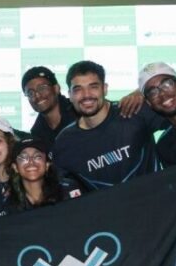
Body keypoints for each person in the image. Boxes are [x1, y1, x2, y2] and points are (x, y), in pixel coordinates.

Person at [52, 60, 166, 191]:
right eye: (78, 89)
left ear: (105, 89)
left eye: (93, 87)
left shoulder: (134, 111)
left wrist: (146, 91)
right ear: (70, 95)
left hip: (157, 202)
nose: (86, 95)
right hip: (103, 206)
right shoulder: (64, 143)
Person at [21, 66, 78, 150]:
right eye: (30, 93)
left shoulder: (79, 111)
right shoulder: (37, 132)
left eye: (42, 88)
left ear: (56, 88)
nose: (37, 95)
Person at [6, 138, 67, 213]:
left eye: (37, 157)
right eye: (23, 158)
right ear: (15, 167)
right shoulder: (11, 206)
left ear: (47, 165)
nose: (31, 162)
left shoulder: (66, 192)